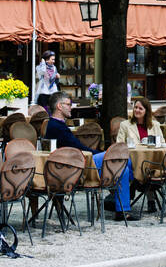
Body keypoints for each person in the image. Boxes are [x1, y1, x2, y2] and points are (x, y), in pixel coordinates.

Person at [46, 92, 138, 221]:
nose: (70, 107)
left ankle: (123, 210)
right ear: (59, 106)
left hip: (77, 162)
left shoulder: (56, 125)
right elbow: (78, 148)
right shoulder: (57, 126)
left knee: (123, 168)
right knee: (121, 157)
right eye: (68, 104)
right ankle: (135, 183)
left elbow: (77, 147)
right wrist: (97, 153)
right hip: (76, 166)